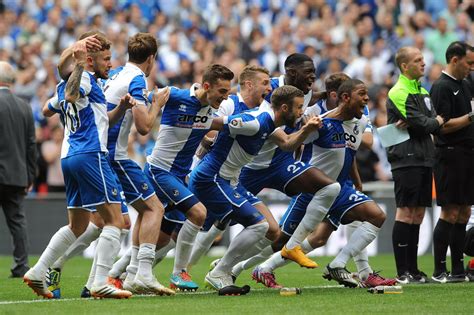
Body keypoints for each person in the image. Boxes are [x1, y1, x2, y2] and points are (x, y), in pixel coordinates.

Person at [187, 54, 341, 274]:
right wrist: (204, 139)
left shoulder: (293, 100)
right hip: (241, 172)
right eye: (265, 84)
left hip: (277, 163)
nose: (269, 89)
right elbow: (208, 123)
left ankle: (237, 265)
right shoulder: (240, 106)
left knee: (275, 228)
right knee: (212, 221)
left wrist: (319, 112)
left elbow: (287, 139)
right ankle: (183, 270)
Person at [24, 32, 133, 299]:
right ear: (90, 60)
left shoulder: (72, 82)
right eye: (106, 59)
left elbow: (48, 110)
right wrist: (80, 64)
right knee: (116, 220)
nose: (110, 63)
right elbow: (73, 95)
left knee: (78, 225)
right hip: (91, 154)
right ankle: (98, 282)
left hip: (70, 157)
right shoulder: (83, 77)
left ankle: (39, 270)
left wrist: (120, 108)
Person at [189, 85, 322, 294]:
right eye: (298, 108)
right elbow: (209, 123)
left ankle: (221, 269)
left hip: (231, 181)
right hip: (211, 178)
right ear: (285, 108)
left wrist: (306, 130)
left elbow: (287, 144)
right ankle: (220, 272)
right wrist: (193, 154)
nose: (301, 112)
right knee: (258, 226)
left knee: (272, 229)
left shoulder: (271, 124)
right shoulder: (255, 122)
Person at [143, 64, 234, 291]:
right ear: (206, 86)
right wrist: (150, 98)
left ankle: (123, 274)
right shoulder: (175, 95)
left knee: (163, 239)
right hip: (159, 170)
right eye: (222, 91)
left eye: (227, 93)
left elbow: (222, 126)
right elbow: (146, 98)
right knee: (198, 213)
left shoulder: (211, 110)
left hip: (178, 176)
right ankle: (179, 273)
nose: (224, 98)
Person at [385, 46, 445, 284]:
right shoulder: (398, 91)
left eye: (423, 59)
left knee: (418, 214)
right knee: (406, 212)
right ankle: (402, 272)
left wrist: (431, 122)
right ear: (404, 66)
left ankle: (414, 269)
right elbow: (425, 124)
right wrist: (434, 121)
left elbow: (427, 122)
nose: (423, 63)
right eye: (418, 60)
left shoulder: (422, 90)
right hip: (405, 158)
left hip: (423, 157)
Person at [430, 41, 474, 283]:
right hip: (450, 154)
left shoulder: (466, 85)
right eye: (469, 63)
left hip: (468, 154)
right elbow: (442, 126)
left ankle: (458, 269)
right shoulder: (441, 87)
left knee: (465, 211)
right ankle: (439, 270)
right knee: (450, 211)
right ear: (455, 60)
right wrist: (471, 117)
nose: (471, 68)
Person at [0, 61, 36, 278]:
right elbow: (31, 144)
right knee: (17, 222)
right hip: (16, 175)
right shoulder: (24, 106)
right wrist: (30, 175)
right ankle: (22, 265)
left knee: (17, 222)